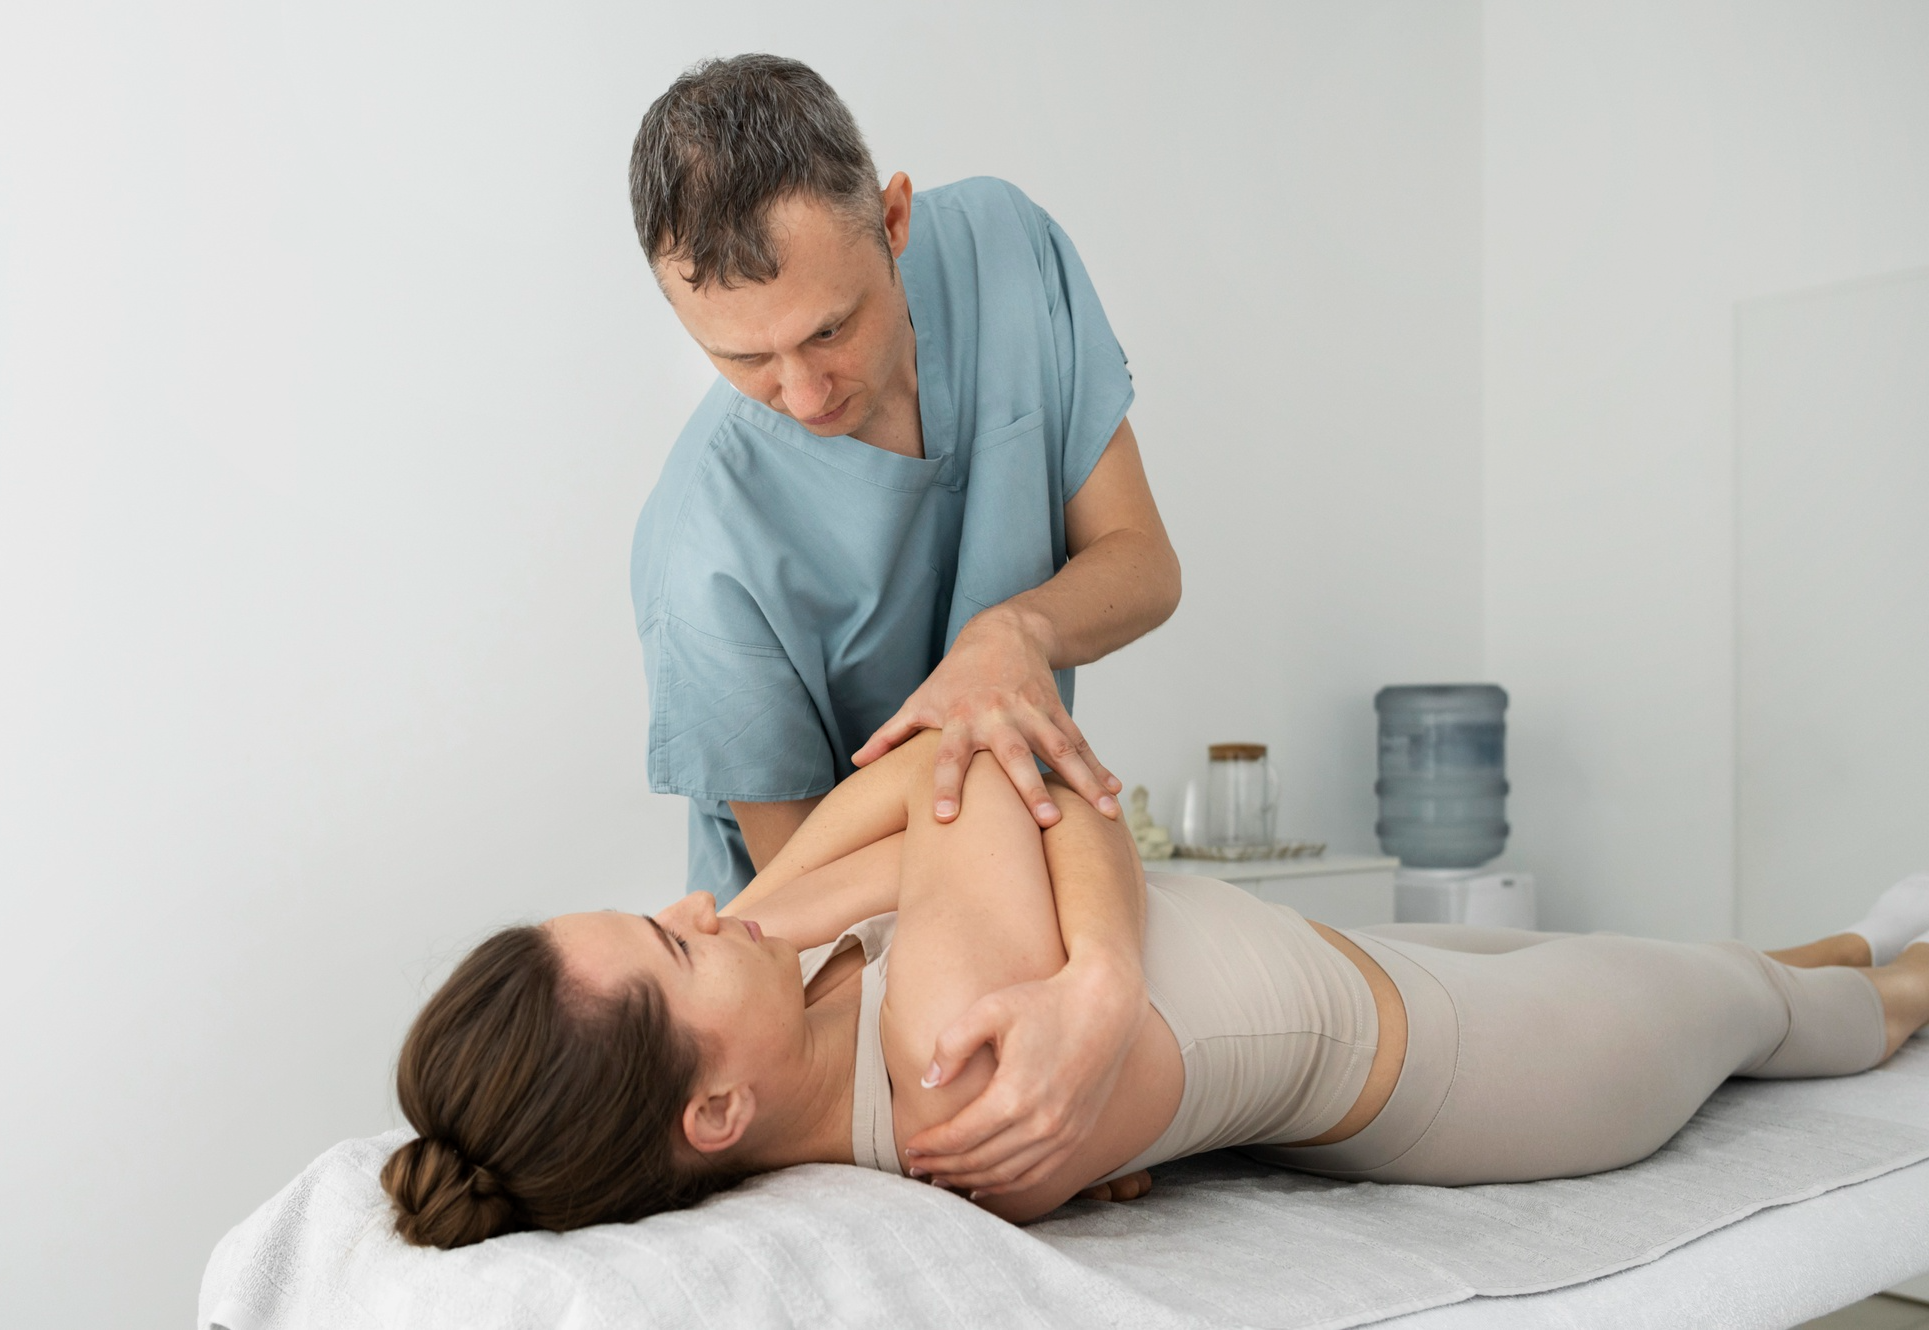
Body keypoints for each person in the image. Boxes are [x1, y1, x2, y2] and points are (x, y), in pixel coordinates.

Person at [379, 734, 1929, 1247]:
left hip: (1377, 976)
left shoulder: (793, 1016)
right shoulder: (938, 1045)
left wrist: (752, 930)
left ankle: (1858, 937)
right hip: (1487, 1061)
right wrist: (872, 874)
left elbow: (940, 776)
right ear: (711, 1109)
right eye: (667, 944)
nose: (698, 900)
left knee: (1745, 956)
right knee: (1790, 1011)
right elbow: (986, 757)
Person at [626, 53, 1180, 1197]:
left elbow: (1142, 567)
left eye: (829, 331)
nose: (804, 391)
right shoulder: (701, 559)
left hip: (1050, 870)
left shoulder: (1009, 255)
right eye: (741, 359)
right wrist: (1052, 1028)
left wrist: (1012, 633)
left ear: (892, 221)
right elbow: (817, 916)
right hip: (845, 1002)